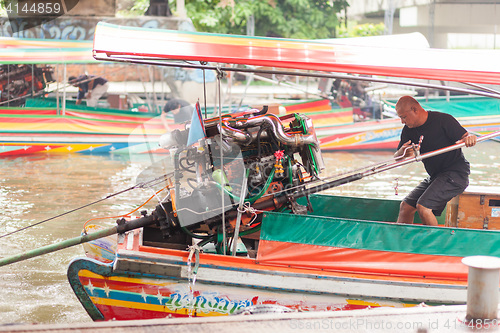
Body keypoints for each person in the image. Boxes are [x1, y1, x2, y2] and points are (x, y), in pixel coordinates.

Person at [393, 96, 477, 226]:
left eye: (403, 117)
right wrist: (403, 152)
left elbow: (466, 137)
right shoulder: (408, 130)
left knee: (423, 207)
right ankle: (399, 243)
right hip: (435, 176)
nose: (402, 122)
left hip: (456, 174)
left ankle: (435, 245)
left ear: (414, 109)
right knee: (406, 206)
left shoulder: (443, 120)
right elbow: (397, 156)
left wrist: (470, 138)